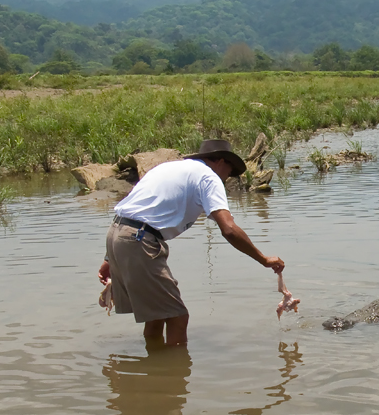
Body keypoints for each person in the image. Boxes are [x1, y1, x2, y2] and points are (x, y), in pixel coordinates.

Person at [97, 139, 284, 346]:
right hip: (139, 239)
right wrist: (263, 259)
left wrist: (109, 258)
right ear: (220, 161)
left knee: (157, 315)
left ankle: (153, 368)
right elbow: (229, 229)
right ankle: (173, 375)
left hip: (118, 234)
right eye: (229, 171)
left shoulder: (169, 168)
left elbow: (135, 208)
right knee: (178, 316)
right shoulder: (208, 176)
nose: (227, 178)